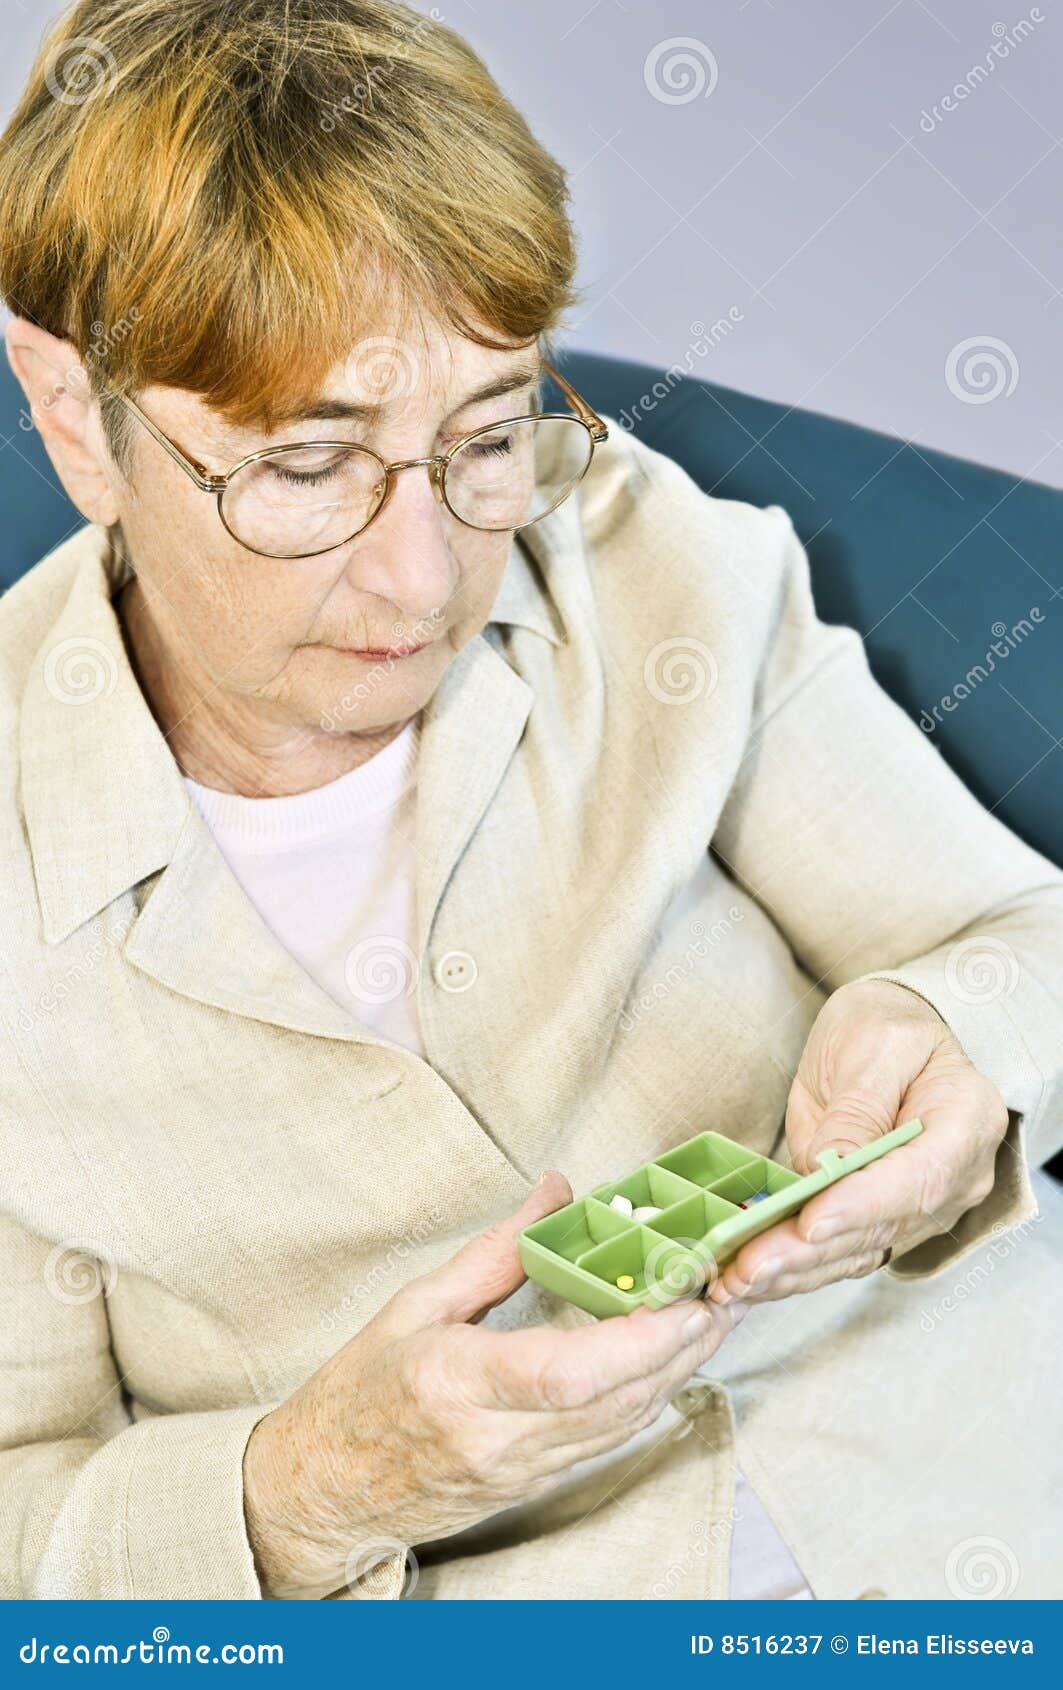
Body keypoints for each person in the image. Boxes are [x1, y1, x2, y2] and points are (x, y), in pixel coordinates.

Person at [1, 0, 1061, 1602]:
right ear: (78, 416)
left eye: (486, 436)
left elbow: (1017, 929)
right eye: (306, 468)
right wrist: (312, 1485)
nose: (426, 576)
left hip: (978, 1481)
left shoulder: (641, 555)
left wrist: (955, 1035)